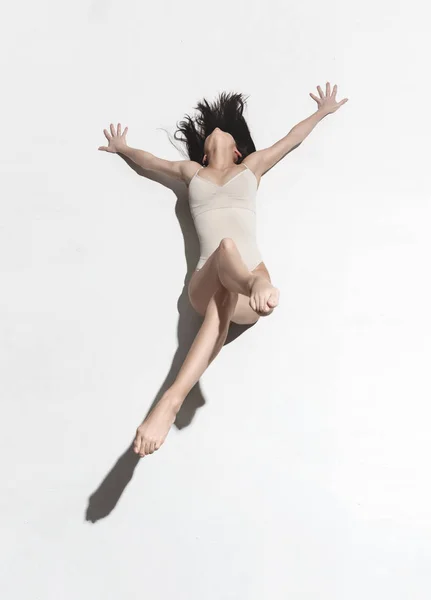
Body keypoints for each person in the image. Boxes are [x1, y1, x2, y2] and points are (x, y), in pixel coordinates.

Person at [98, 83, 348, 457]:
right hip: (220, 280)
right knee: (225, 251)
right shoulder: (190, 172)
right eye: (212, 131)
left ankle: (171, 399)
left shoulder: (252, 166)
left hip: (249, 294)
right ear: (204, 151)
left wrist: (322, 111)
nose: (217, 129)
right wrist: (123, 149)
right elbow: (150, 162)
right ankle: (249, 284)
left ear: (236, 149)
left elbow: (291, 139)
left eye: (225, 130)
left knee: (227, 293)